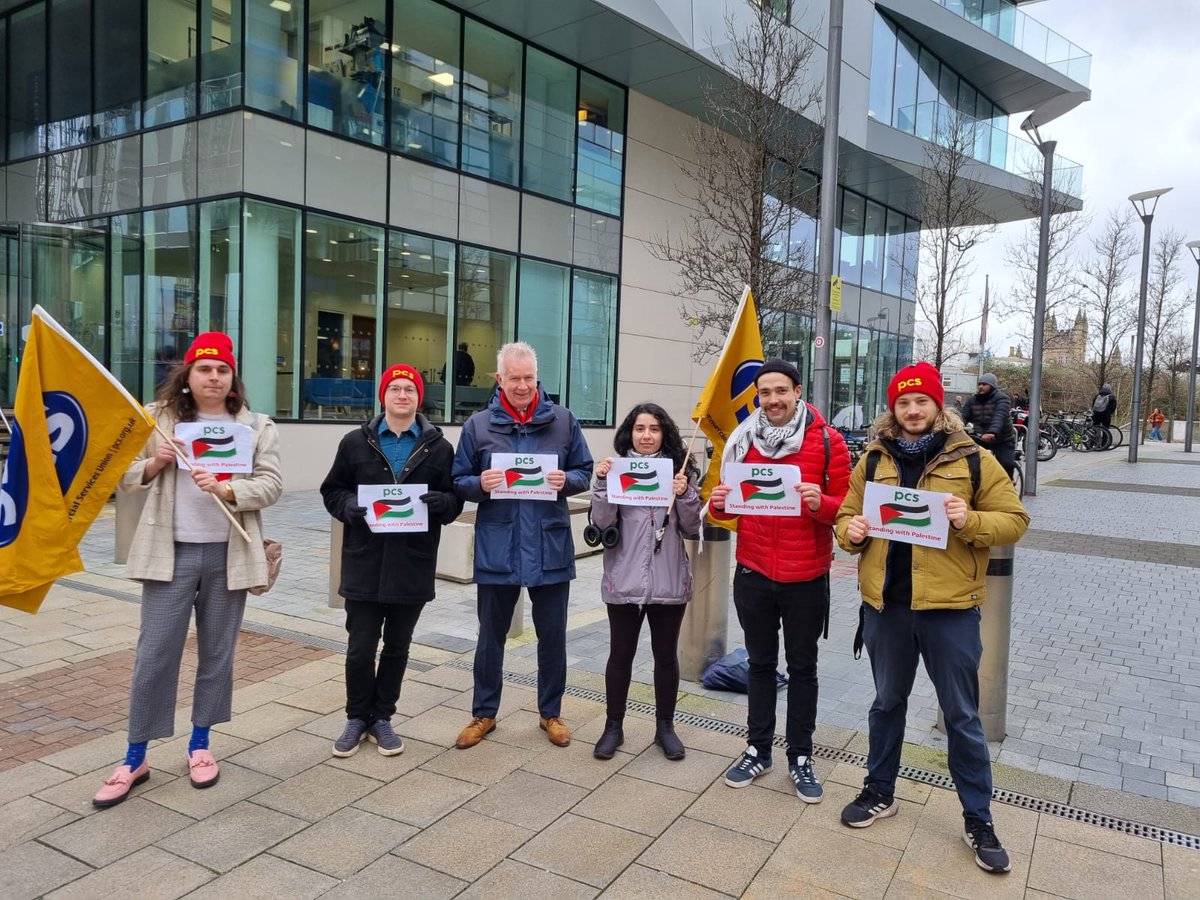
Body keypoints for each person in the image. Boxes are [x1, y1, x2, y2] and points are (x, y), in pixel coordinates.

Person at [835, 362, 1029, 873]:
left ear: (937, 406)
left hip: (949, 611)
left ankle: (978, 818)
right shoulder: (874, 459)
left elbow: (1015, 520)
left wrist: (972, 521)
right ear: (892, 409)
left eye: (921, 401)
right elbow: (844, 515)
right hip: (887, 608)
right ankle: (879, 790)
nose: (913, 410)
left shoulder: (976, 460)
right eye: (903, 402)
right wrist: (850, 532)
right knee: (886, 704)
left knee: (962, 717)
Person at [95, 333, 282, 808]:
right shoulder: (156, 421)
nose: (213, 377)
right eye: (204, 369)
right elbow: (120, 476)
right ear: (189, 374)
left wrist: (228, 490)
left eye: (222, 370)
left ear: (232, 377)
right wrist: (155, 463)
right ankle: (135, 755)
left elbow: (272, 483)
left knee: (217, 654)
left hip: (227, 555)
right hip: (170, 553)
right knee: (154, 654)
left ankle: (200, 745)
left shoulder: (256, 426)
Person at [708, 359, 851, 802]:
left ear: (797, 391)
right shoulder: (741, 442)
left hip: (806, 576)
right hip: (753, 573)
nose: (772, 400)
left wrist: (820, 503)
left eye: (780, 391)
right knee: (760, 666)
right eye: (764, 393)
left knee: (803, 669)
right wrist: (718, 503)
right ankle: (758, 748)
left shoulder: (829, 442)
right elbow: (723, 511)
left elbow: (847, 508)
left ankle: (801, 756)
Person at [452, 342, 593, 749]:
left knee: (553, 635)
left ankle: (551, 713)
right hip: (499, 546)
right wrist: (480, 484)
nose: (522, 385)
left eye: (528, 377)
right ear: (499, 379)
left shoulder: (564, 422)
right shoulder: (478, 426)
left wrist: (569, 480)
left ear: (537, 376)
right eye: (514, 378)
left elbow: (584, 471)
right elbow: (458, 480)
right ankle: (484, 714)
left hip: (548, 545)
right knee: (490, 636)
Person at [320, 363, 463, 758]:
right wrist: (350, 506)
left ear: (419, 399)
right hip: (364, 561)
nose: (403, 395)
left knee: (398, 648)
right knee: (360, 649)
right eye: (395, 389)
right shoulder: (354, 442)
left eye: (410, 390)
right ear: (383, 396)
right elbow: (332, 490)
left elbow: (454, 501)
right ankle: (356, 717)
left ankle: (382, 717)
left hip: (411, 564)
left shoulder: (439, 448)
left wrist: (442, 504)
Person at [591, 403, 702, 761]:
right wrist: (603, 484)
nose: (647, 435)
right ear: (630, 433)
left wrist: (684, 493)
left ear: (664, 434)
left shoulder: (680, 473)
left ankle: (665, 728)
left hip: (669, 580)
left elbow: (692, 527)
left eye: (654, 429)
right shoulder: (617, 469)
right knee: (620, 655)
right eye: (640, 428)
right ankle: (613, 726)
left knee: (665, 657)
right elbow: (604, 522)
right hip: (623, 579)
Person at [960, 373, 1016, 478]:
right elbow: (963, 416)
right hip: (980, 437)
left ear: (992, 385)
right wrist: (953, 428)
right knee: (967, 460)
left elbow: (999, 417)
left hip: (1002, 439)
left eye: (984, 384)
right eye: (979, 384)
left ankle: (1009, 486)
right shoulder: (973, 400)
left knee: (1007, 464)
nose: (981, 386)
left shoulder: (1002, 399)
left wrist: (992, 432)